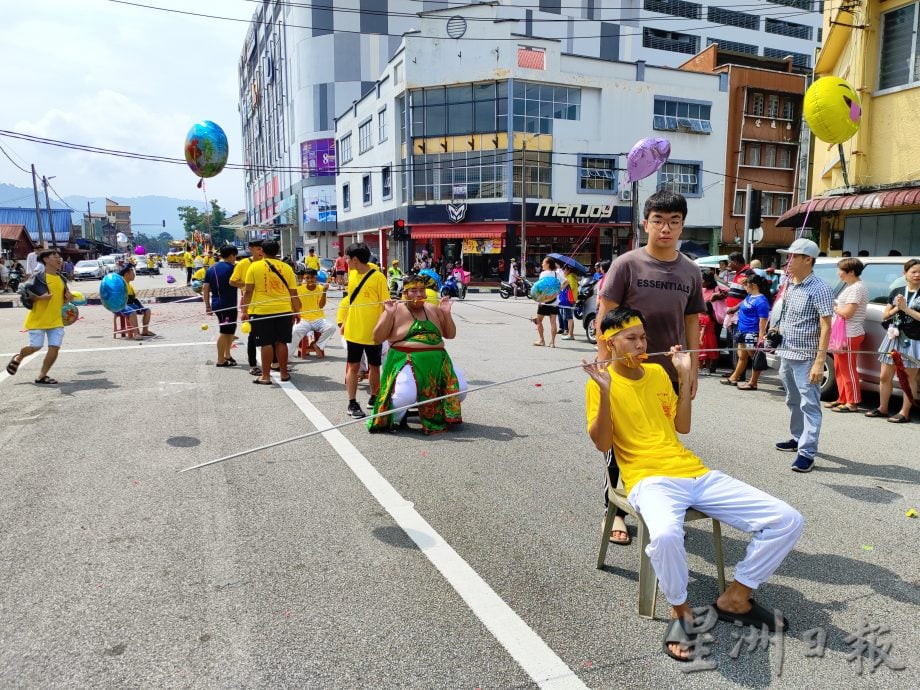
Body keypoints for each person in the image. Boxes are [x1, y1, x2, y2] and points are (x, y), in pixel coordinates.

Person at [583, 307, 804, 662]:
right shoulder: (601, 380)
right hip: (648, 479)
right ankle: (681, 611)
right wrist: (606, 392)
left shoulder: (656, 372)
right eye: (632, 338)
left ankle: (736, 597)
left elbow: (681, 426)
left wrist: (685, 377)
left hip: (694, 472)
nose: (641, 343)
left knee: (787, 519)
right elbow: (602, 444)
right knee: (668, 536)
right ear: (610, 343)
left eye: (643, 337)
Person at [596, 190, 705, 544]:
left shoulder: (690, 270)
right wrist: (605, 363)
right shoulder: (626, 264)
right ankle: (616, 511)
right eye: (658, 221)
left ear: (682, 226)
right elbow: (605, 316)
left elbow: (691, 322)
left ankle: (663, 507)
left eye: (674, 222)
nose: (665, 229)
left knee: (663, 438)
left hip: (669, 369)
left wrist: (693, 368)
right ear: (646, 224)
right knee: (620, 441)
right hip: (625, 369)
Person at [368, 274, 466, 433]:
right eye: (413, 290)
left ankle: (438, 412)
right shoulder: (395, 309)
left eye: (422, 290)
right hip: (406, 358)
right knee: (404, 396)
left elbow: (450, 334)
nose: (419, 294)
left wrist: (446, 313)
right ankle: (393, 418)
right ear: (404, 293)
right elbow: (377, 338)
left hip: (438, 360)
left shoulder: (433, 309)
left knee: (461, 389)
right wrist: (388, 314)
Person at [774, 238, 834, 473]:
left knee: (810, 404)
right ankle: (797, 437)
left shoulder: (820, 288)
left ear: (808, 259)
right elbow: (787, 315)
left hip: (807, 357)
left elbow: (826, 326)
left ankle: (807, 453)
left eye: (793, 256)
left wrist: (819, 361)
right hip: (786, 353)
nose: (788, 261)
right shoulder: (789, 283)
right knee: (792, 399)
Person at [865, 258, 920, 423]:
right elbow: (885, 315)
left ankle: (904, 412)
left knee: (909, 378)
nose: (917, 275)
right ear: (905, 273)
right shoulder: (897, 291)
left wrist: (906, 309)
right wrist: (897, 307)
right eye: (914, 271)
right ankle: (882, 408)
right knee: (884, 376)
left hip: (914, 340)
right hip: (893, 337)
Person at [5, 249, 73, 385]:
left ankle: (42, 375)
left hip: (56, 320)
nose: (58, 259)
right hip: (38, 319)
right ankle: (19, 357)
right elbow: (23, 293)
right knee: (35, 347)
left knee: (55, 348)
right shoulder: (38, 277)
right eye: (55, 256)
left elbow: (64, 299)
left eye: (59, 257)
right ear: (46, 260)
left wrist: (68, 298)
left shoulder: (62, 278)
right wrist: (38, 298)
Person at [339, 242, 390, 418]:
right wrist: (345, 321)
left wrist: (384, 328)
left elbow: (386, 305)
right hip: (353, 330)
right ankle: (352, 403)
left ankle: (374, 397)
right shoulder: (352, 274)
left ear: (354, 259)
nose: (345, 261)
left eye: (347, 258)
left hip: (373, 332)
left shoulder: (378, 277)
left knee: (374, 366)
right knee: (353, 366)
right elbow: (352, 302)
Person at [241, 240, 300, 386]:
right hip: (284, 310)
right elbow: (294, 293)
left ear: (262, 250)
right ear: (277, 250)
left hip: (261, 311)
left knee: (266, 343)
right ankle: (284, 373)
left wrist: (244, 310)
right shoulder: (287, 268)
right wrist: (297, 311)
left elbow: (248, 291)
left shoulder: (254, 266)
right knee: (282, 342)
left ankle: (266, 376)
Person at [826, 258, 868, 413]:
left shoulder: (857, 288)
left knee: (848, 368)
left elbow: (847, 313)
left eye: (841, 270)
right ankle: (842, 398)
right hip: (843, 333)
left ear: (850, 272)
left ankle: (852, 402)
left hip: (850, 333)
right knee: (839, 367)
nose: (838, 273)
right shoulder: (852, 286)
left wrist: (835, 308)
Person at [722, 271, 771, 390]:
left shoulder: (761, 301)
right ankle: (734, 377)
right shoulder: (749, 296)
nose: (744, 287)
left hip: (752, 332)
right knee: (742, 356)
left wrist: (760, 337)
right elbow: (742, 301)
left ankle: (753, 382)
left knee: (755, 357)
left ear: (753, 285)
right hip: (742, 330)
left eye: (746, 285)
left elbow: (763, 320)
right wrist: (734, 308)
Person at [230, 239, 266, 376]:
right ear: (250, 249)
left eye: (262, 249)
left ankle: (274, 362)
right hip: (251, 304)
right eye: (258, 249)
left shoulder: (267, 262)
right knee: (253, 335)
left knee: (271, 335)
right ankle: (253, 365)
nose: (261, 251)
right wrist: (247, 285)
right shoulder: (244, 264)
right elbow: (232, 281)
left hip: (268, 304)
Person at [202, 245, 239, 367]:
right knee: (224, 331)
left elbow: (205, 289)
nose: (235, 258)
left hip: (221, 304)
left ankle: (227, 354)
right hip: (226, 304)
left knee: (230, 331)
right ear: (230, 255)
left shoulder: (211, 269)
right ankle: (220, 359)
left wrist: (208, 305)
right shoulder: (232, 268)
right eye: (235, 256)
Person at [289, 268, 336, 360]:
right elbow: (297, 307)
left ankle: (317, 345)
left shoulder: (320, 288)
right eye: (307, 278)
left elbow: (321, 306)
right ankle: (287, 357)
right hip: (304, 320)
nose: (310, 280)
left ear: (316, 278)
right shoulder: (299, 289)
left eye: (312, 278)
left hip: (319, 319)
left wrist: (324, 292)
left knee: (331, 327)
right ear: (304, 278)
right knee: (294, 331)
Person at [117, 264, 155, 340]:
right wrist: (128, 265)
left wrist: (141, 307)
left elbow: (134, 299)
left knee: (147, 310)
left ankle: (145, 331)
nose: (134, 275)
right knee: (132, 312)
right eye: (132, 273)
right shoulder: (121, 284)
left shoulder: (130, 286)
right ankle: (136, 333)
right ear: (127, 274)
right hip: (121, 306)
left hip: (131, 305)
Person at [700, 271, 726, 374]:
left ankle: (712, 366)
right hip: (702, 320)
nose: (701, 281)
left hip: (713, 321)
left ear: (709, 281)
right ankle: (703, 366)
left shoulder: (716, 289)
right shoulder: (701, 290)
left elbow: (727, 290)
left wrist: (718, 295)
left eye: (703, 279)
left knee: (713, 344)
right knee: (703, 345)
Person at [534, 257, 560, 348]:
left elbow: (541, 288)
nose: (542, 264)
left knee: (538, 320)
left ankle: (542, 340)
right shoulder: (557, 274)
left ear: (548, 264)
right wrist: (557, 292)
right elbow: (566, 283)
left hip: (544, 301)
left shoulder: (543, 274)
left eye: (543, 262)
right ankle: (552, 342)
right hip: (555, 302)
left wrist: (539, 299)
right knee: (553, 322)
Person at [558, 265, 579, 340]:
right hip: (570, 299)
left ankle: (570, 334)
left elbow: (572, 287)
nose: (564, 272)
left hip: (569, 300)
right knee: (568, 317)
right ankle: (569, 333)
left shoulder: (570, 277)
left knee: (569, 317)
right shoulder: (571, 277)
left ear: (569, 270)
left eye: (565, 270)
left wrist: (566, 284)